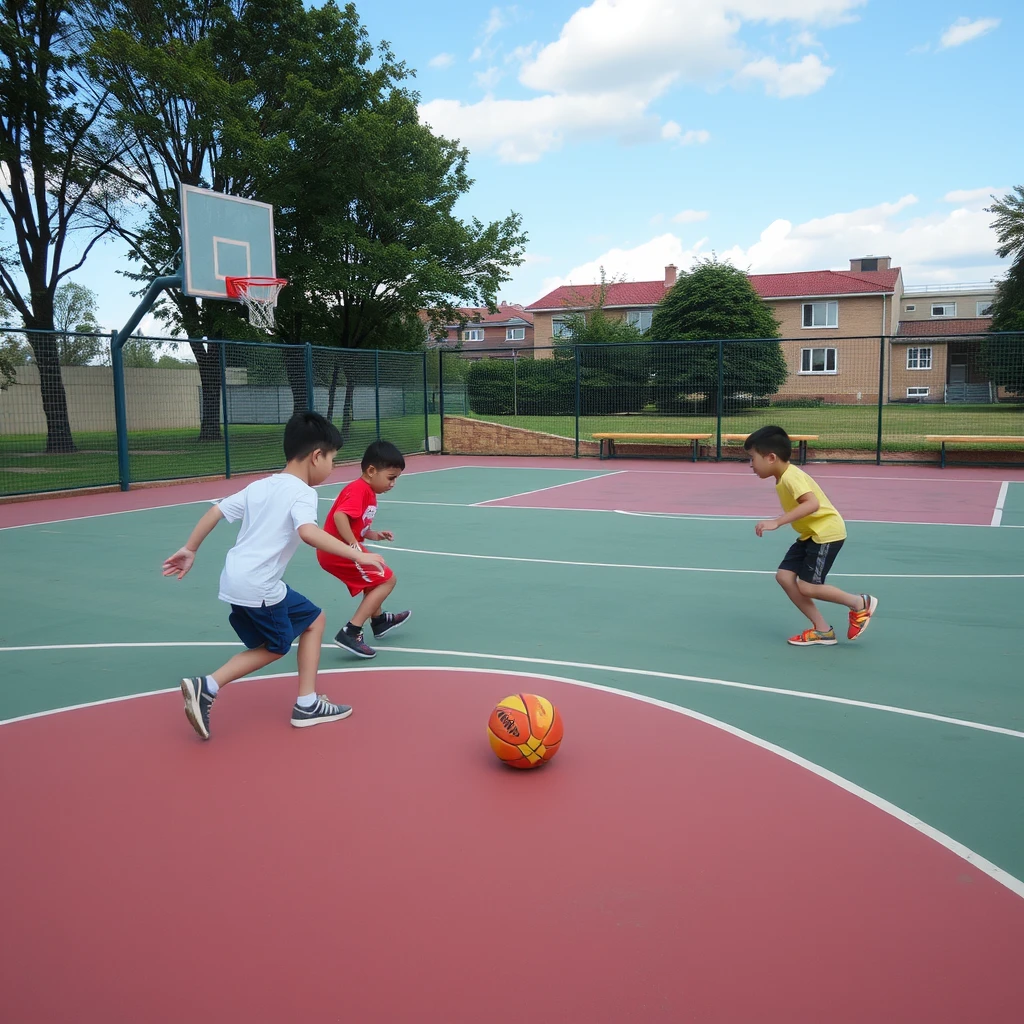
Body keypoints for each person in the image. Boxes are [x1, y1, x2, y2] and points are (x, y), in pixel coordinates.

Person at [162, 411, 386, 739]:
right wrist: (357, 554)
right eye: (333, 459)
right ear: (316, 456)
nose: (332, 467)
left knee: (314, 619)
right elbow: (308, 532)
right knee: (276, 647)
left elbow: (216, 511)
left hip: (235, 579)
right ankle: (207, 686)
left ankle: (307, 703)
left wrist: (190, 548)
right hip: (259, 584)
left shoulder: (260, 487)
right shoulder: (303, 493)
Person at [744, 425, 878, 647]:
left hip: (826, 533)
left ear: (770, 457)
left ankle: (859, 603)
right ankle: (823, 631)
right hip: (811, 534)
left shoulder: (790, 477)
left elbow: (812, 503)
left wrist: (777, 521)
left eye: (752, 458)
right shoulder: (783, 476)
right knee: (785, 577)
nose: (751, 465)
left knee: (807, 586)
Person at [319, 440, 410, 658]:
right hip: (337, 551)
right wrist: (354, 548)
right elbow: (340, 516)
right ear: (371, 471)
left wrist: (373, 534)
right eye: (390, 477)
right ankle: (351, 631)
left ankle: (378, 621)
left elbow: (354, 524)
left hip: (344, 548)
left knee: (377, 577)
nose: (393, 483)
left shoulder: (368, 492)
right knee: (387, 579)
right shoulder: (359, 489)